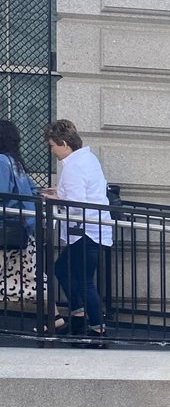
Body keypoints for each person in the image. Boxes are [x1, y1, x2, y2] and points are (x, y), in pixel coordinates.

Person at [42, 119, 112, 336]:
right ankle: (84, 318)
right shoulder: (88, 159)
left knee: (77, 277)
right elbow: (82, 195)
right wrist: (60, 193)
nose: (51, 150)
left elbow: (77, 205)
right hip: (94, 228)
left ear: (63, 143)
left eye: (52, 145)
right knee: (70, 273)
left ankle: (94, 325)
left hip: (84, 231)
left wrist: (56, 199)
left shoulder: (73, 167)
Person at [0, 119, 38, 306]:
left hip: (6, 224)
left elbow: (1, 193)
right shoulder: (15, 162)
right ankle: (53, 316)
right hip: (22, 226)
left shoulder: (1, 161)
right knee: (30, 277)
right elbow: (32, 189)